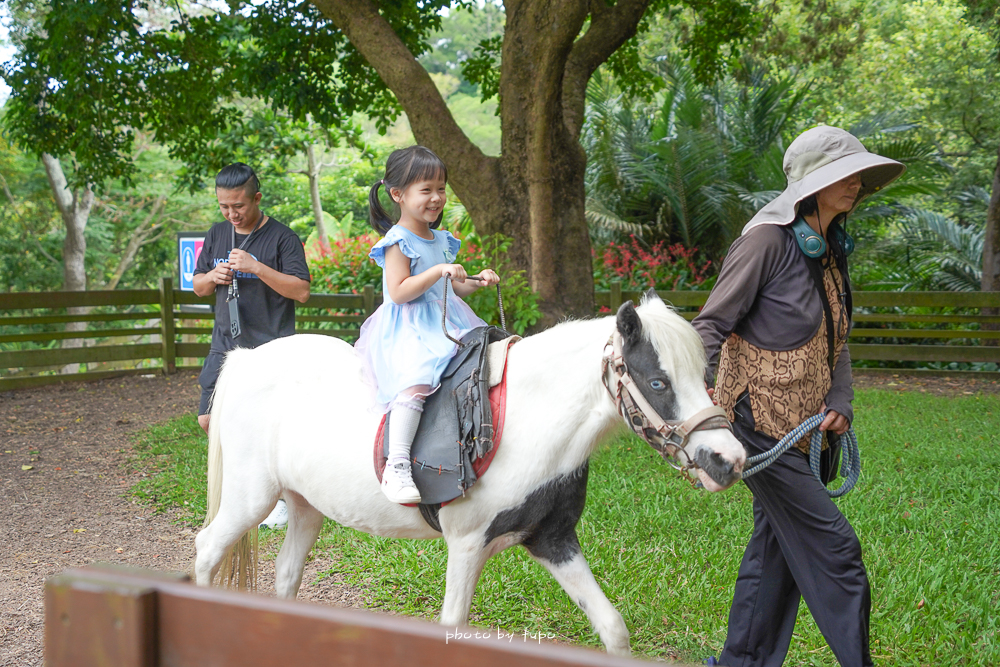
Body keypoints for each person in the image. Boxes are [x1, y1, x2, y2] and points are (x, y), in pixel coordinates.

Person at [693, 126, 905, 667]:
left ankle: (741, 662)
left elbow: (838, 336)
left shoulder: (831, 247)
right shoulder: (764, 242)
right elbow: (709, 329)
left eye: (858, 173)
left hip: (809, 428)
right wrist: (702, 421)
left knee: (774, 556)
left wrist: (841, 399)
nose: (855, 183)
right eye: (843, 173)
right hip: (756, 425)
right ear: (812, 184)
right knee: (837, 552)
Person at [354, 146, 499, 504]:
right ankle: (397, 464)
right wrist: (438, 270)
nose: (436, 198)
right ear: (398, 194)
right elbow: (399, 292)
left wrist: (477, 279)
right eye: (426, 190)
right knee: (416, 383)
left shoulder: (440, 239)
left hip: (444, 322)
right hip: (409, 329)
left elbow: (450, 285)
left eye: (441, 188)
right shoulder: (397, 242)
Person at [192, 162, 311, 528]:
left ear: (257, 198)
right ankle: (248, 489)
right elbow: (197, 285)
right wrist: (212, 276)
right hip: (224, 344)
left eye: (239, 206)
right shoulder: (217, 234)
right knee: (209, 419)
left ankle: (276, 499)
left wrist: (257, 268)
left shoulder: (282, 238)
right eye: (224, 207)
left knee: (267, 425)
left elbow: (302, 291)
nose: (232, 214)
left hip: (269, 348)